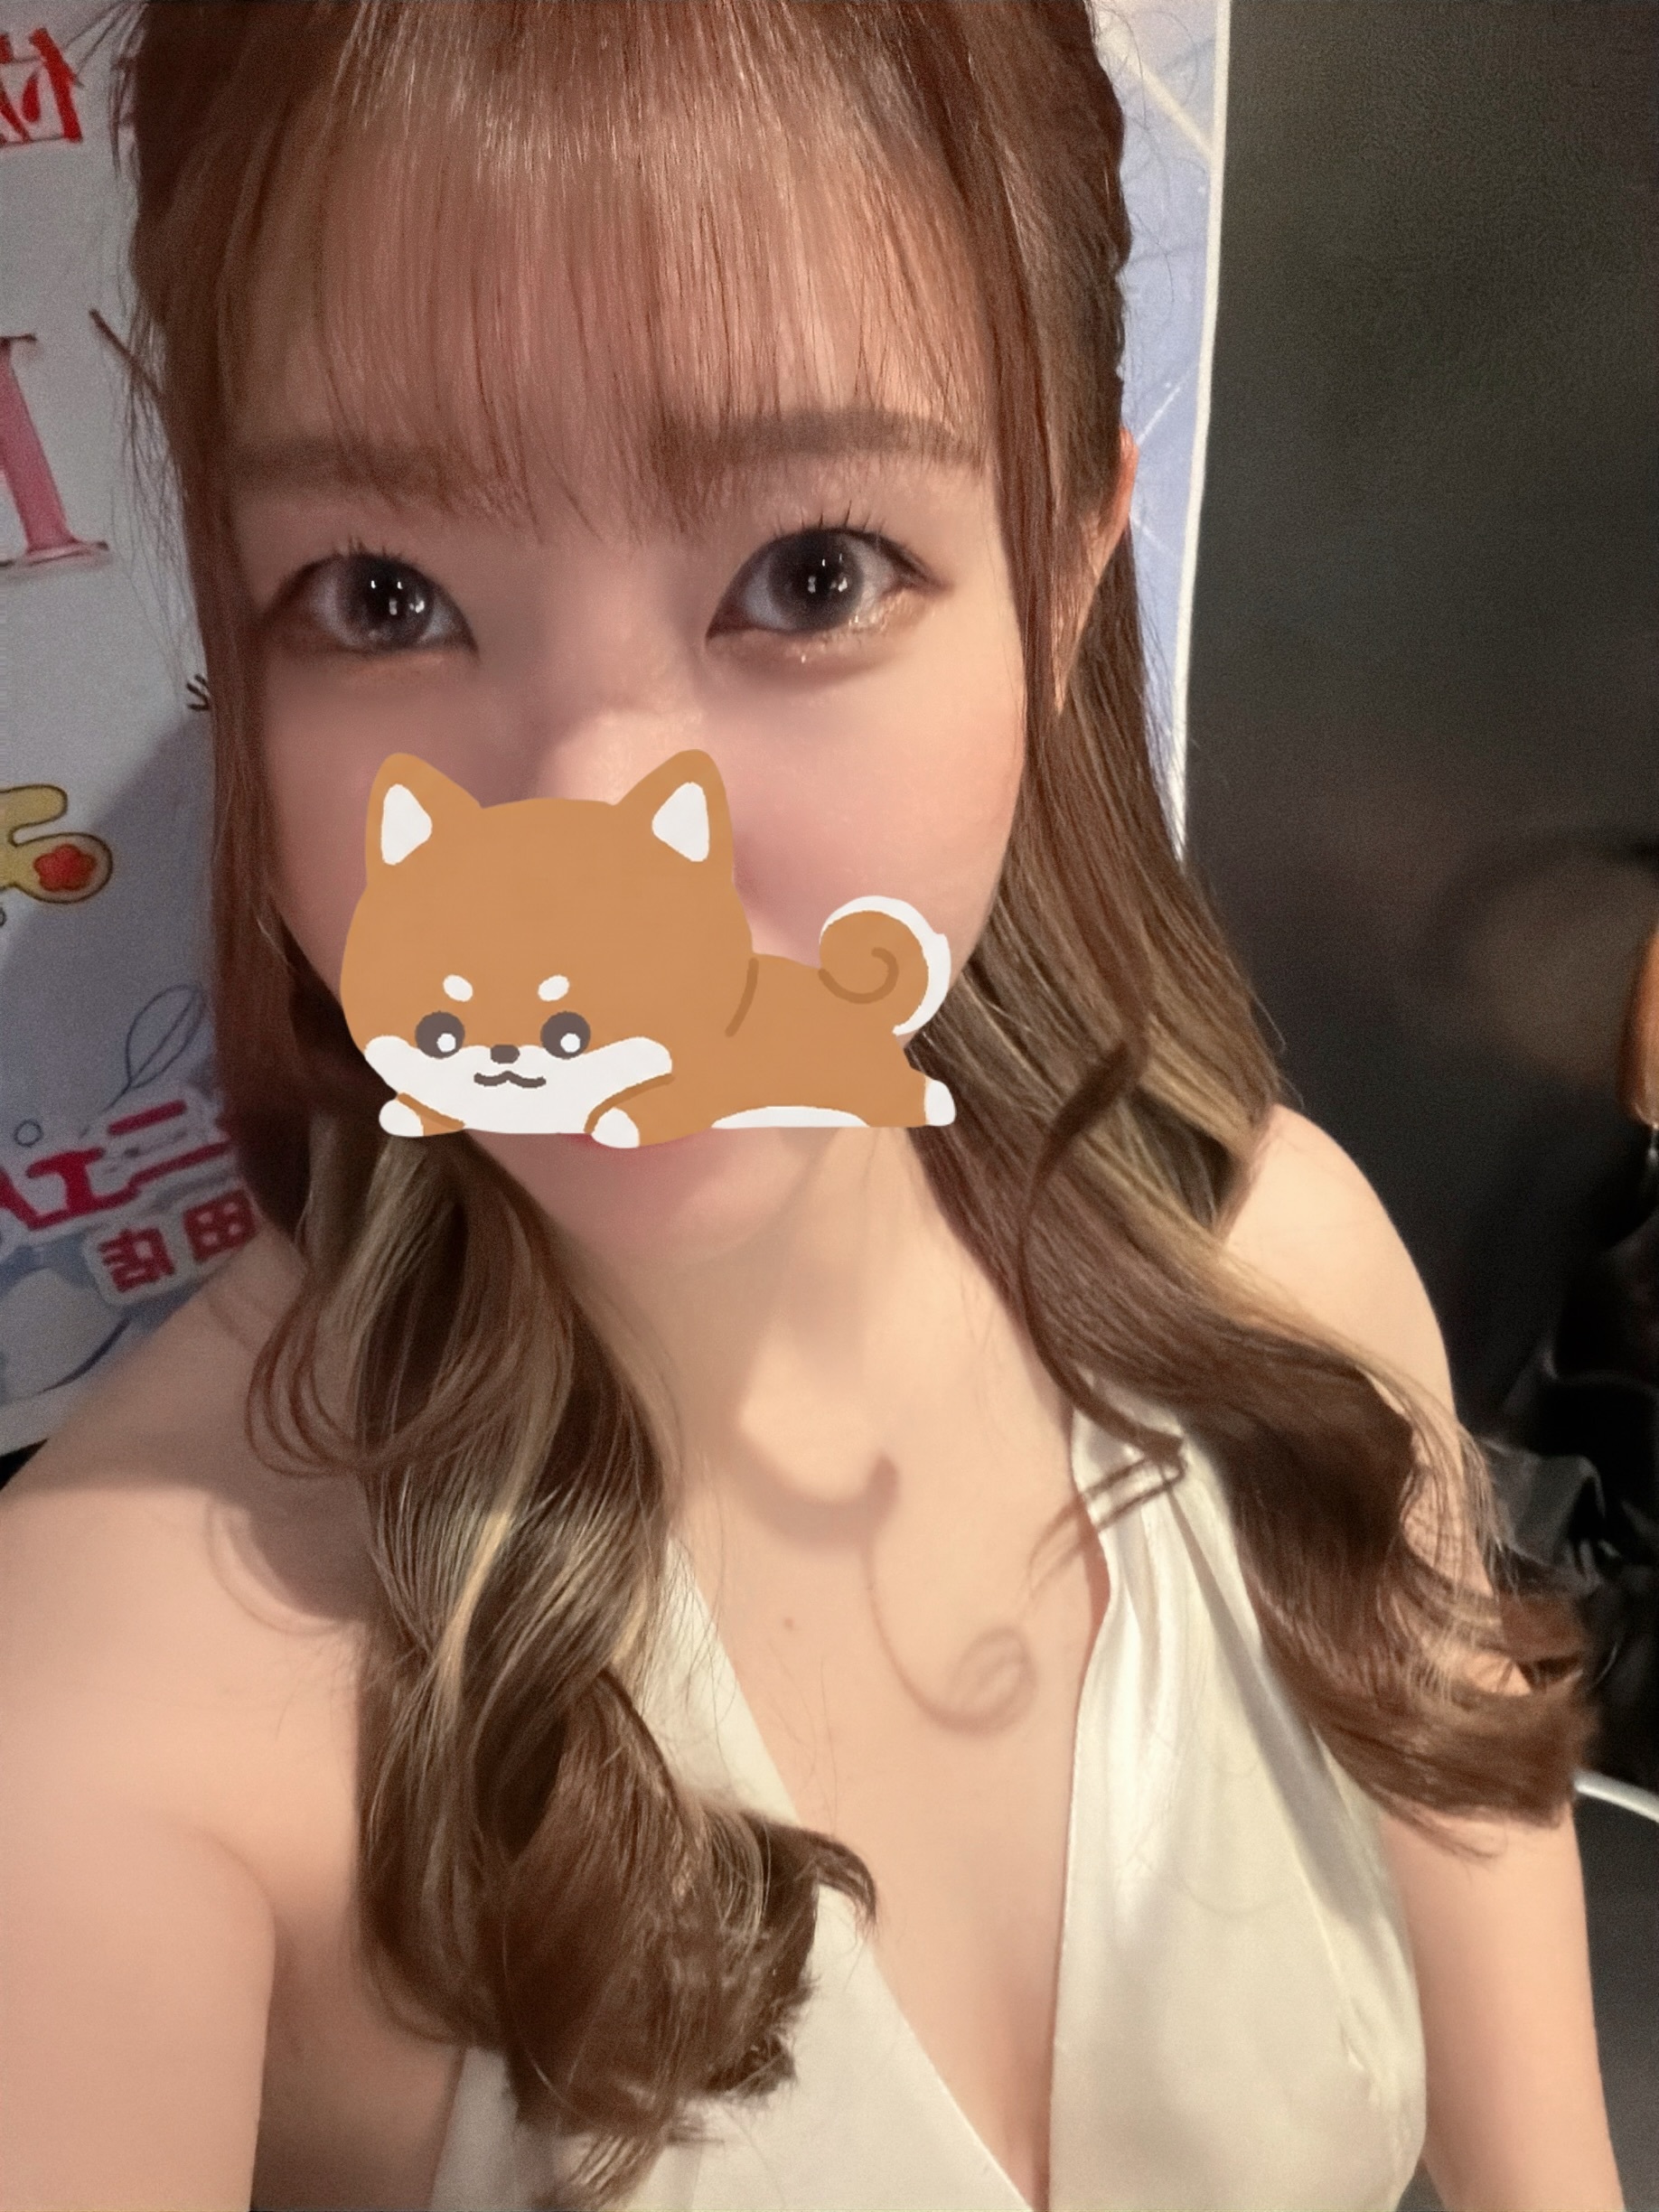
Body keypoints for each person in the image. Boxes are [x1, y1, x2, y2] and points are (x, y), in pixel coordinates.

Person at [0, 5, 1626, 2209]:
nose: (594, 842)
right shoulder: (112, 1705)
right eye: (387, 599)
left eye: (811, 575)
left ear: (1064, 582)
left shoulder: (1294, 1300)